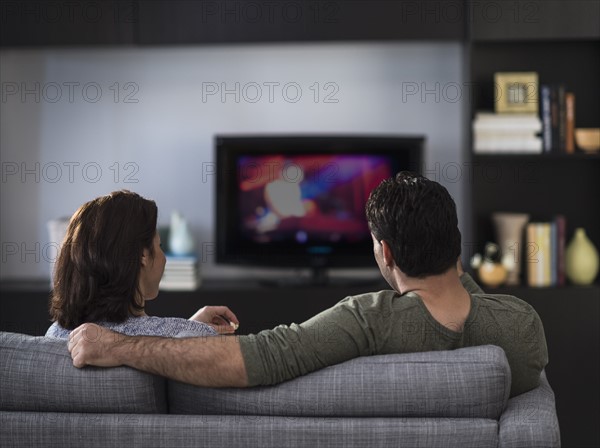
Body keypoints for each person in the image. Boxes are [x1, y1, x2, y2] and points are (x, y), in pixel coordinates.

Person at [67, 173, 548, 397]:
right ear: (455, 246)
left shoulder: (367, 320)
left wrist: (121, 345)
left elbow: (261, 358)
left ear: (385, 254)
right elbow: (471, 311)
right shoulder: (522, 327)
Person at [46, 190, 239, 339]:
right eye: (160, 245)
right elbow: (161, 345)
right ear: (143, 255)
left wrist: (191, 327)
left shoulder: (55, 334)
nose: (164, 257)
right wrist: (193, 330)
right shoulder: (184, 339)